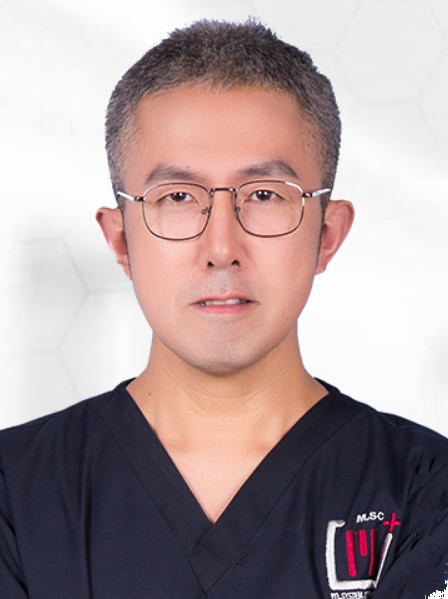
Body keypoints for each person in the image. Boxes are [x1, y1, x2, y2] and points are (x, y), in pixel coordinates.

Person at [0, 20, 447, 599]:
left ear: (328, 234)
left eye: (264, 195)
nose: (220, 248)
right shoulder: (16, 494)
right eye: (177, 197)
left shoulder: (426, 493)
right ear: (120, 239)